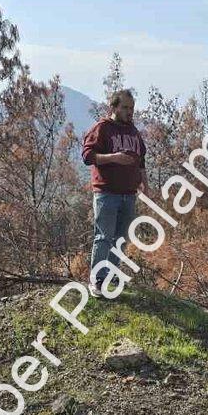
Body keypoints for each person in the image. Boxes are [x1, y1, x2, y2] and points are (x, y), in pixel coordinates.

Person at [81, 89, 148, 297]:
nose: (130, 112)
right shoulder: (102, 128)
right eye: (125, 108)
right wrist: (114, 158)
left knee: (121, 238)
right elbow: (87, 156)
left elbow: (141, 159)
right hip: (107, 193)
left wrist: (145, 183)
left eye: (132, 108)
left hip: (129, 194)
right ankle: (97, 280)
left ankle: (111, 275)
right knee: (104, 236)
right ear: (114, 107)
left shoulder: (133, 131)